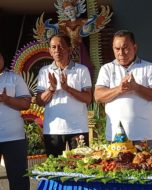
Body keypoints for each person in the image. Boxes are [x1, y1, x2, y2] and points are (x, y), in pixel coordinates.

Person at [94, 30, 152, 144]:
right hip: (115, 136)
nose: (121, 53)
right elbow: (98, 96)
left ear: (135, 48)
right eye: (117, 49)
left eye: (125, 48)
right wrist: (119, 89)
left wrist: (136, 87)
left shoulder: (149, 67)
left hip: (143, 136)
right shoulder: (106, 69)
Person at [36, 33, 92, 157]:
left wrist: (67, 88)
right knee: (55, 170)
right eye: (53, 47)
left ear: (69, 49)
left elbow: (88, 99)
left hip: (78, 129)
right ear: (50, 51)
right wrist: (51, 89)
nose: (57, 50)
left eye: (61, 46)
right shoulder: (44, 71)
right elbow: (39, 101)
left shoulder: (81, 70)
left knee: (80, 170)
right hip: (53, 130)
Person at [0, 51, 31, 190]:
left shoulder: (14, 78)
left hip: (14, 138)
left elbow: (26, 104)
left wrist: (7, 100)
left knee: (19, 181)